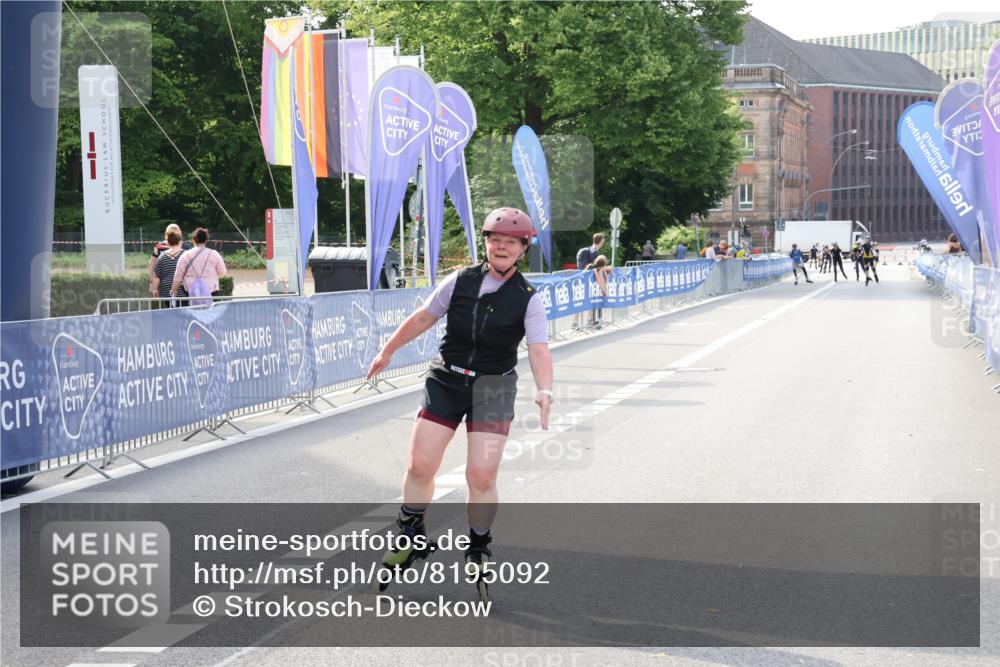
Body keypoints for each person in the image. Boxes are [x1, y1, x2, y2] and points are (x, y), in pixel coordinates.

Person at [366, 207, 553, 601]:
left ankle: (479, 544)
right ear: (485, 243)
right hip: (448, 379)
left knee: (481, 475)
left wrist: (544, 389)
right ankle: (410, 530)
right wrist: (388, 350)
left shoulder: (528, 299)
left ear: (523, 249)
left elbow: (538, 348)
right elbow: (423, 317)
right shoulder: (461, 280)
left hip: (494, 386)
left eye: (510, 242)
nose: (501, 247)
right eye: (494, 239)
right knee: (420, 463)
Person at [171, 227, 227, 305]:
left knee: (193, 313)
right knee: (209, 314)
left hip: (191, 291)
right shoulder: (214, 254)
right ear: (206, 240)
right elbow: (223, 273)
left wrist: (174, 290)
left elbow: (178, 276)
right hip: (211, 290)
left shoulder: (185, 255)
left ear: (193, 240)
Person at [148, 224, 192, 296]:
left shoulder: (159, 247)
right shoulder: (186, 247)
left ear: (166, 234)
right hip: (183, 287)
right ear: (180, 233)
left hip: (165, 287)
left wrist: (152, 283)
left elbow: (152, 265)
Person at [151, 228, 188, 306]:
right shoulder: (186, 254)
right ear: (179, 241)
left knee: (172, 314)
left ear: (168, 243)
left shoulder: (162, 256)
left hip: (167, 292)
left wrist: (155, 290)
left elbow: (156, 275)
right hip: (183, 290)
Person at [587, 255, 613, 327]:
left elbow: (603, 282)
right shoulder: (596, 269)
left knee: (596, 304)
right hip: (591, 291)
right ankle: (591, 321)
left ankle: (596, 320)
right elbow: (601, 283)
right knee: (592, 305)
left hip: (595, 291)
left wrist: (606, 272)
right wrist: (604, 290)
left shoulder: (599, 269)